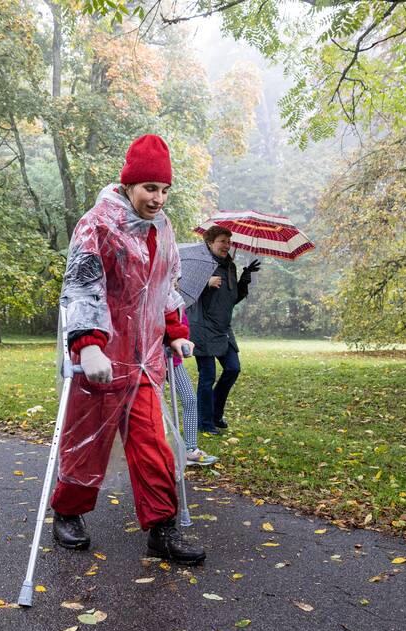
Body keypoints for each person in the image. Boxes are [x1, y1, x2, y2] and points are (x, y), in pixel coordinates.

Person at [50, 133, 206, 565]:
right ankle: (68, 512)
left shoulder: (162, 228)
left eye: (164, 190)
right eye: (150, 189)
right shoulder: (98, 224)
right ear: (129, 185)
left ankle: (162, 527)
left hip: (144, 359)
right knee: (86, 440)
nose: (158, 199)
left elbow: (165, 286)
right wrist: (88, 345)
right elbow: (82, 286)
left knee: (152, 442)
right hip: (102, 356)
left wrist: (174, 329)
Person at [188, 225, 260, 434]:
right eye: (222, 241)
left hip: (223, 328)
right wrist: (205, 282)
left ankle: (215, 414)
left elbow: (231, 299)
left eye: (229, 242)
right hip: (202, 327)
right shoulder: (200, 264)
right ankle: (205, 423)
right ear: (210, 243)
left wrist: (244, 280)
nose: (227, 246)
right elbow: (183, 290)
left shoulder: (230, 267)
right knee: (208, 376)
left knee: (233, 368)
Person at [165, 309, 218, 466]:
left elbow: (183, 331)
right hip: (153, 362)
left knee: (190, 399)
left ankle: (190, 449)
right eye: (171, 282)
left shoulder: (178, 307)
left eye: (175, 282)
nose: (173, 284)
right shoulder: (153, 298)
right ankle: (157, 452)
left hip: (173, 362)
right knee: (154, 408)